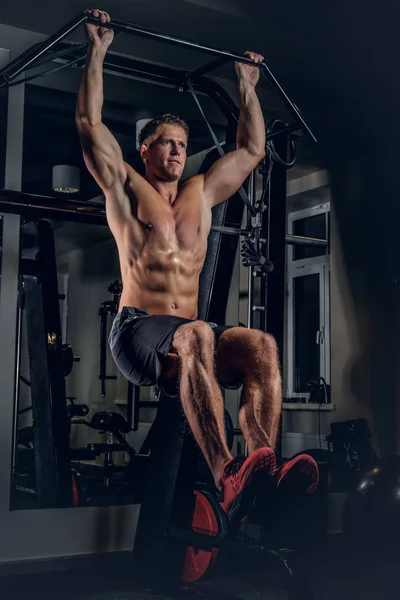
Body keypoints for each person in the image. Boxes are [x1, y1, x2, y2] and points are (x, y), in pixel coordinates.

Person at [76, 8, 318, 515]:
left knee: (261, 346)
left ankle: (262, 469)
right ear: (145, 148)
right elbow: (89, 123)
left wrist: (247, 85)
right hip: (138, 329)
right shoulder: (125, 186)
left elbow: (252, 148)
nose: (177, 151)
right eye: (166, 142)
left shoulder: (201, 192)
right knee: (199, 334)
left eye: (183, 145)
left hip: (187, 332)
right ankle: (226, 473)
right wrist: (97, 51)